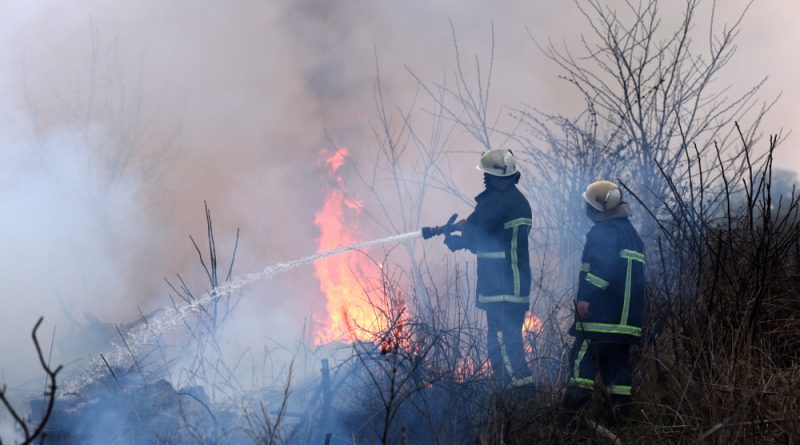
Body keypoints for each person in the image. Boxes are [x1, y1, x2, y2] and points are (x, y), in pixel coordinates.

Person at [442, 148, 534, 386]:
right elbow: (492, 233)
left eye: (486, 174)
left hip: (501, 286)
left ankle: (518, 400)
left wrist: (459, 240)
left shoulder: (495, 202)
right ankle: (519, 397)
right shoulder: (518, 201)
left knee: (502, 346)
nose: (484, 178)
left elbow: (478, 234)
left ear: (495, 176)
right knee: (510, 344)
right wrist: (467, 231)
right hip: (516, 283)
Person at [565, 180, 645, 422]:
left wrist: (585, 298)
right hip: (624, 324)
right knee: (618, 374)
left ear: (598, 209)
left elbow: (603, 270)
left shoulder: (604, 232)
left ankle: (571, 422)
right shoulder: (630, 233)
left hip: (599, 319)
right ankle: (621, 423)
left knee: (582, 365)